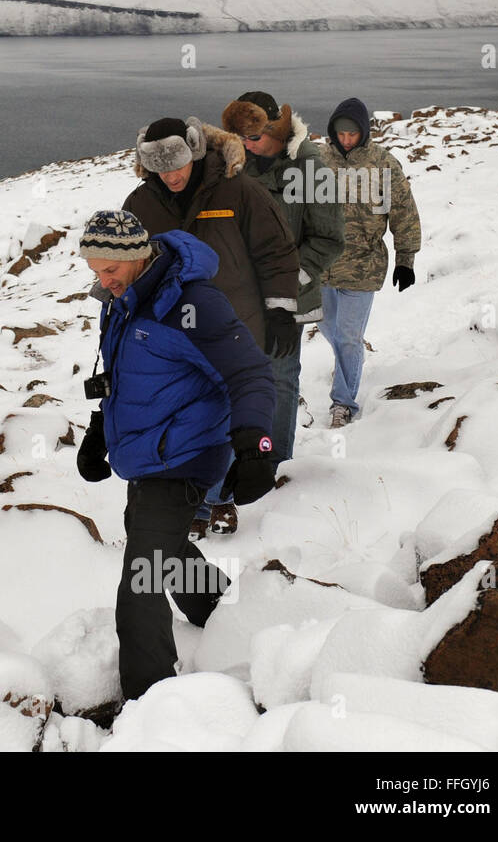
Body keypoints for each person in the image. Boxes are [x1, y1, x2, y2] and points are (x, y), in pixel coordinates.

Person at [74, 209, 276, 702]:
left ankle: (150, 702)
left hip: (186, 453)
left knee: (139, 582)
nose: (103, 282)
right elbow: (130, 376)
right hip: (150, 452)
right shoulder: (123, 300)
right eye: (95, 271)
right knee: (157, 542)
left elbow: (250, 371)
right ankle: (222, 611)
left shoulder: (192, 303)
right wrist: (102, 429)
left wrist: (256, 445)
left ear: (139, 256)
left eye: (111, 271)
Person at [123, 116, 298, 537]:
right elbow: (129, 267)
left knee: (224, 413)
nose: (172, 176)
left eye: (178, 164)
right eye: (160, 168)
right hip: (171, 333)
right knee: (187, 414)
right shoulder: (140, 203)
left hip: (234, 321)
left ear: (195, 151)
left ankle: (216, 501)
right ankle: (193, 500)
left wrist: (280, 310)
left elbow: (275, 250)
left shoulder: (238, 190)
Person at [222, 91, 344, 466]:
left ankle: (272, 464)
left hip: (291, 297)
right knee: (232, 380)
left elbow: (328, 240)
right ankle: (233, 463)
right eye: (241, 138)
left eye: (254, 138)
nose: (246, 145)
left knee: (279, 378)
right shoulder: (233, 166)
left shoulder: (312, 170)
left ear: (277, 129)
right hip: (237, 298)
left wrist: (287, 282)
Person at [317, 98, 423, 428]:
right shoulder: (317, 161)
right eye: (340, 133)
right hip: (321, 268)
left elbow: (404, 212)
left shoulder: (383, 165)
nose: (346, 139)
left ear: (364, 132)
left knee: (347, 337)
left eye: (352, 133)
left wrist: (405, 259)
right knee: (330, 330)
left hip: (363, 267)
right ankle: (349, 363)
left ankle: (342, 403)